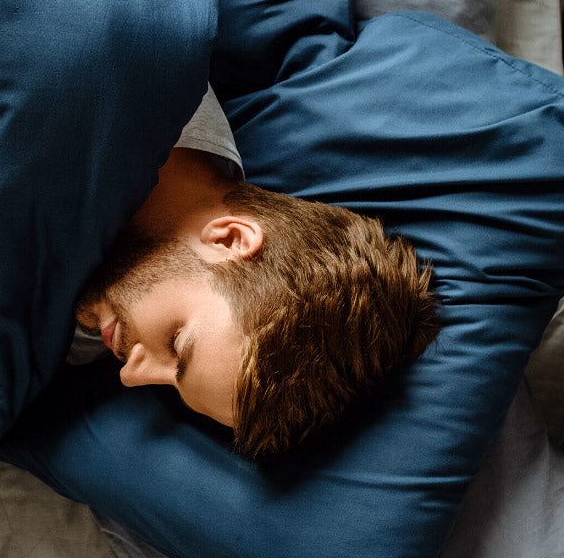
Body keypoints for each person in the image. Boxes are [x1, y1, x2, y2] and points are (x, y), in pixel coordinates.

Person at [73, 88, 440, 462]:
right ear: (229, 240)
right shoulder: (113, 84)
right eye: (177, 343)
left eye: (168, 384)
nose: (131, 375)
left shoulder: (75, 336)